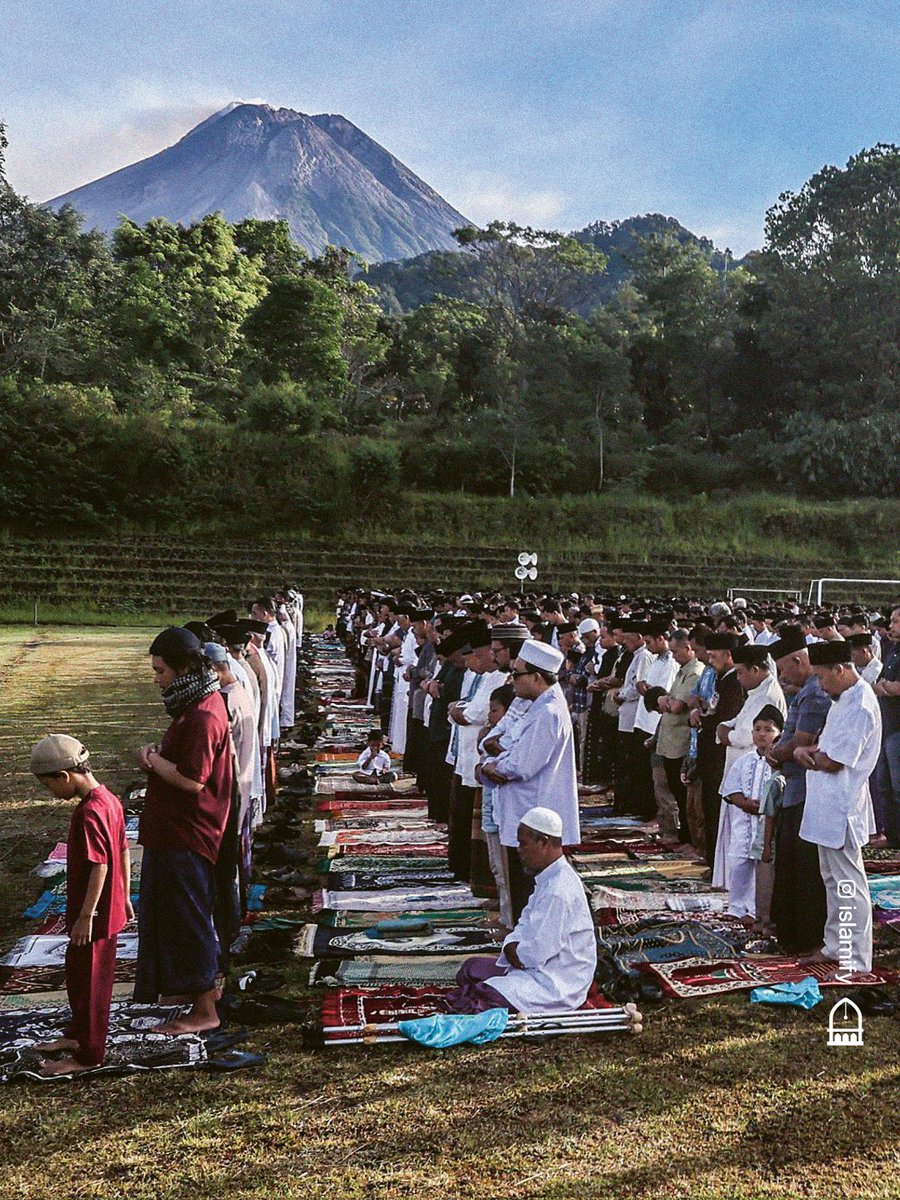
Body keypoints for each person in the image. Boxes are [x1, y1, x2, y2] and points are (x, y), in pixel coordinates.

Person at [135, 626, 234, 1035]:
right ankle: (186, 988)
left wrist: (151, 761)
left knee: (189, 918)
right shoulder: (195, 706)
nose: (156, 679)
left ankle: (204, 1009)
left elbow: (194, 780)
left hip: (188, 833)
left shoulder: (204, 714)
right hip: (174, 831)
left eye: (160, 671)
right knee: (171, 915)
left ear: (180, 669)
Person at [28, 735, 130, 1076]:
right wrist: (126, 896)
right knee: (77, 972)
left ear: (64, 776)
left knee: (93, 981)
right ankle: (77, 1034)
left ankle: (90, 1054)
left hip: (95, 914)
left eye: (49, 786)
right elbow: (124, 851)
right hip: (106, 906)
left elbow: (100, 864)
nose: (52, 794)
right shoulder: (109, 800)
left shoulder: (90, 812)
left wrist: (87, 915)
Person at [450, 808, 596, 1014]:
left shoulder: (559, 890)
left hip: (555, 983)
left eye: (523, 843)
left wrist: (514, 950)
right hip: (530, 968)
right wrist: (512, 945)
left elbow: (536, 952)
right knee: (470, 969)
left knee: (480, 996)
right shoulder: (548, 878)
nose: (518, 850)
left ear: (544, 842)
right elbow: (524, 924)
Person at [797, 641, 882, 974]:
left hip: (842, 803)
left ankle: (856, 961)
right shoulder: (843, 698)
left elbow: (834, 761)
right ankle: (835, 947)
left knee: (849, 884)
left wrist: (805, 756)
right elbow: (828, 746)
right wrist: (811, 752)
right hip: (826, 802)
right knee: (832, 879)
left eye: (822, 677)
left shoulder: (860, 703)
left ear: (840, 669)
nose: (820, 685)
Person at [481, 639, 579, 919]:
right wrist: (495, 757)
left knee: (531, 888)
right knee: (522, 884)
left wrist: (489, 766)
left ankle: (527, 945)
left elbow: (520, 765)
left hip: (534, 812)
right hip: (523, 809)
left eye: (518, 674)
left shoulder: (548, 711)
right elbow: (496, 739)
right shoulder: (531, 703)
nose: (512, 680)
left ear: (537, 677)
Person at [765, 626, 831, 954]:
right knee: (790, 864)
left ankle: (807, 937)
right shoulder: (804, 690)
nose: (781, 677)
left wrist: (775, 753)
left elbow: (801, 742)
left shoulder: (815, 691)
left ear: (796, 660)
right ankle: (790, 933)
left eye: (782, 670)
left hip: (806, 792)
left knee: (804, 869)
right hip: (794, 789)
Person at [713, 707, 783, 922]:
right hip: (743, 822)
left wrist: (765, 806)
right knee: (739, 866)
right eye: (757, 729)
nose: (761, 734)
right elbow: (730, 788)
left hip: (767, 825)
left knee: (763, 869)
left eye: (768, 730)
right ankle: (737, 907)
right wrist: (744, 803)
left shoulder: (780, 763)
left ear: (779, 733)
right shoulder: (744, 761)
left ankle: (756, 910)